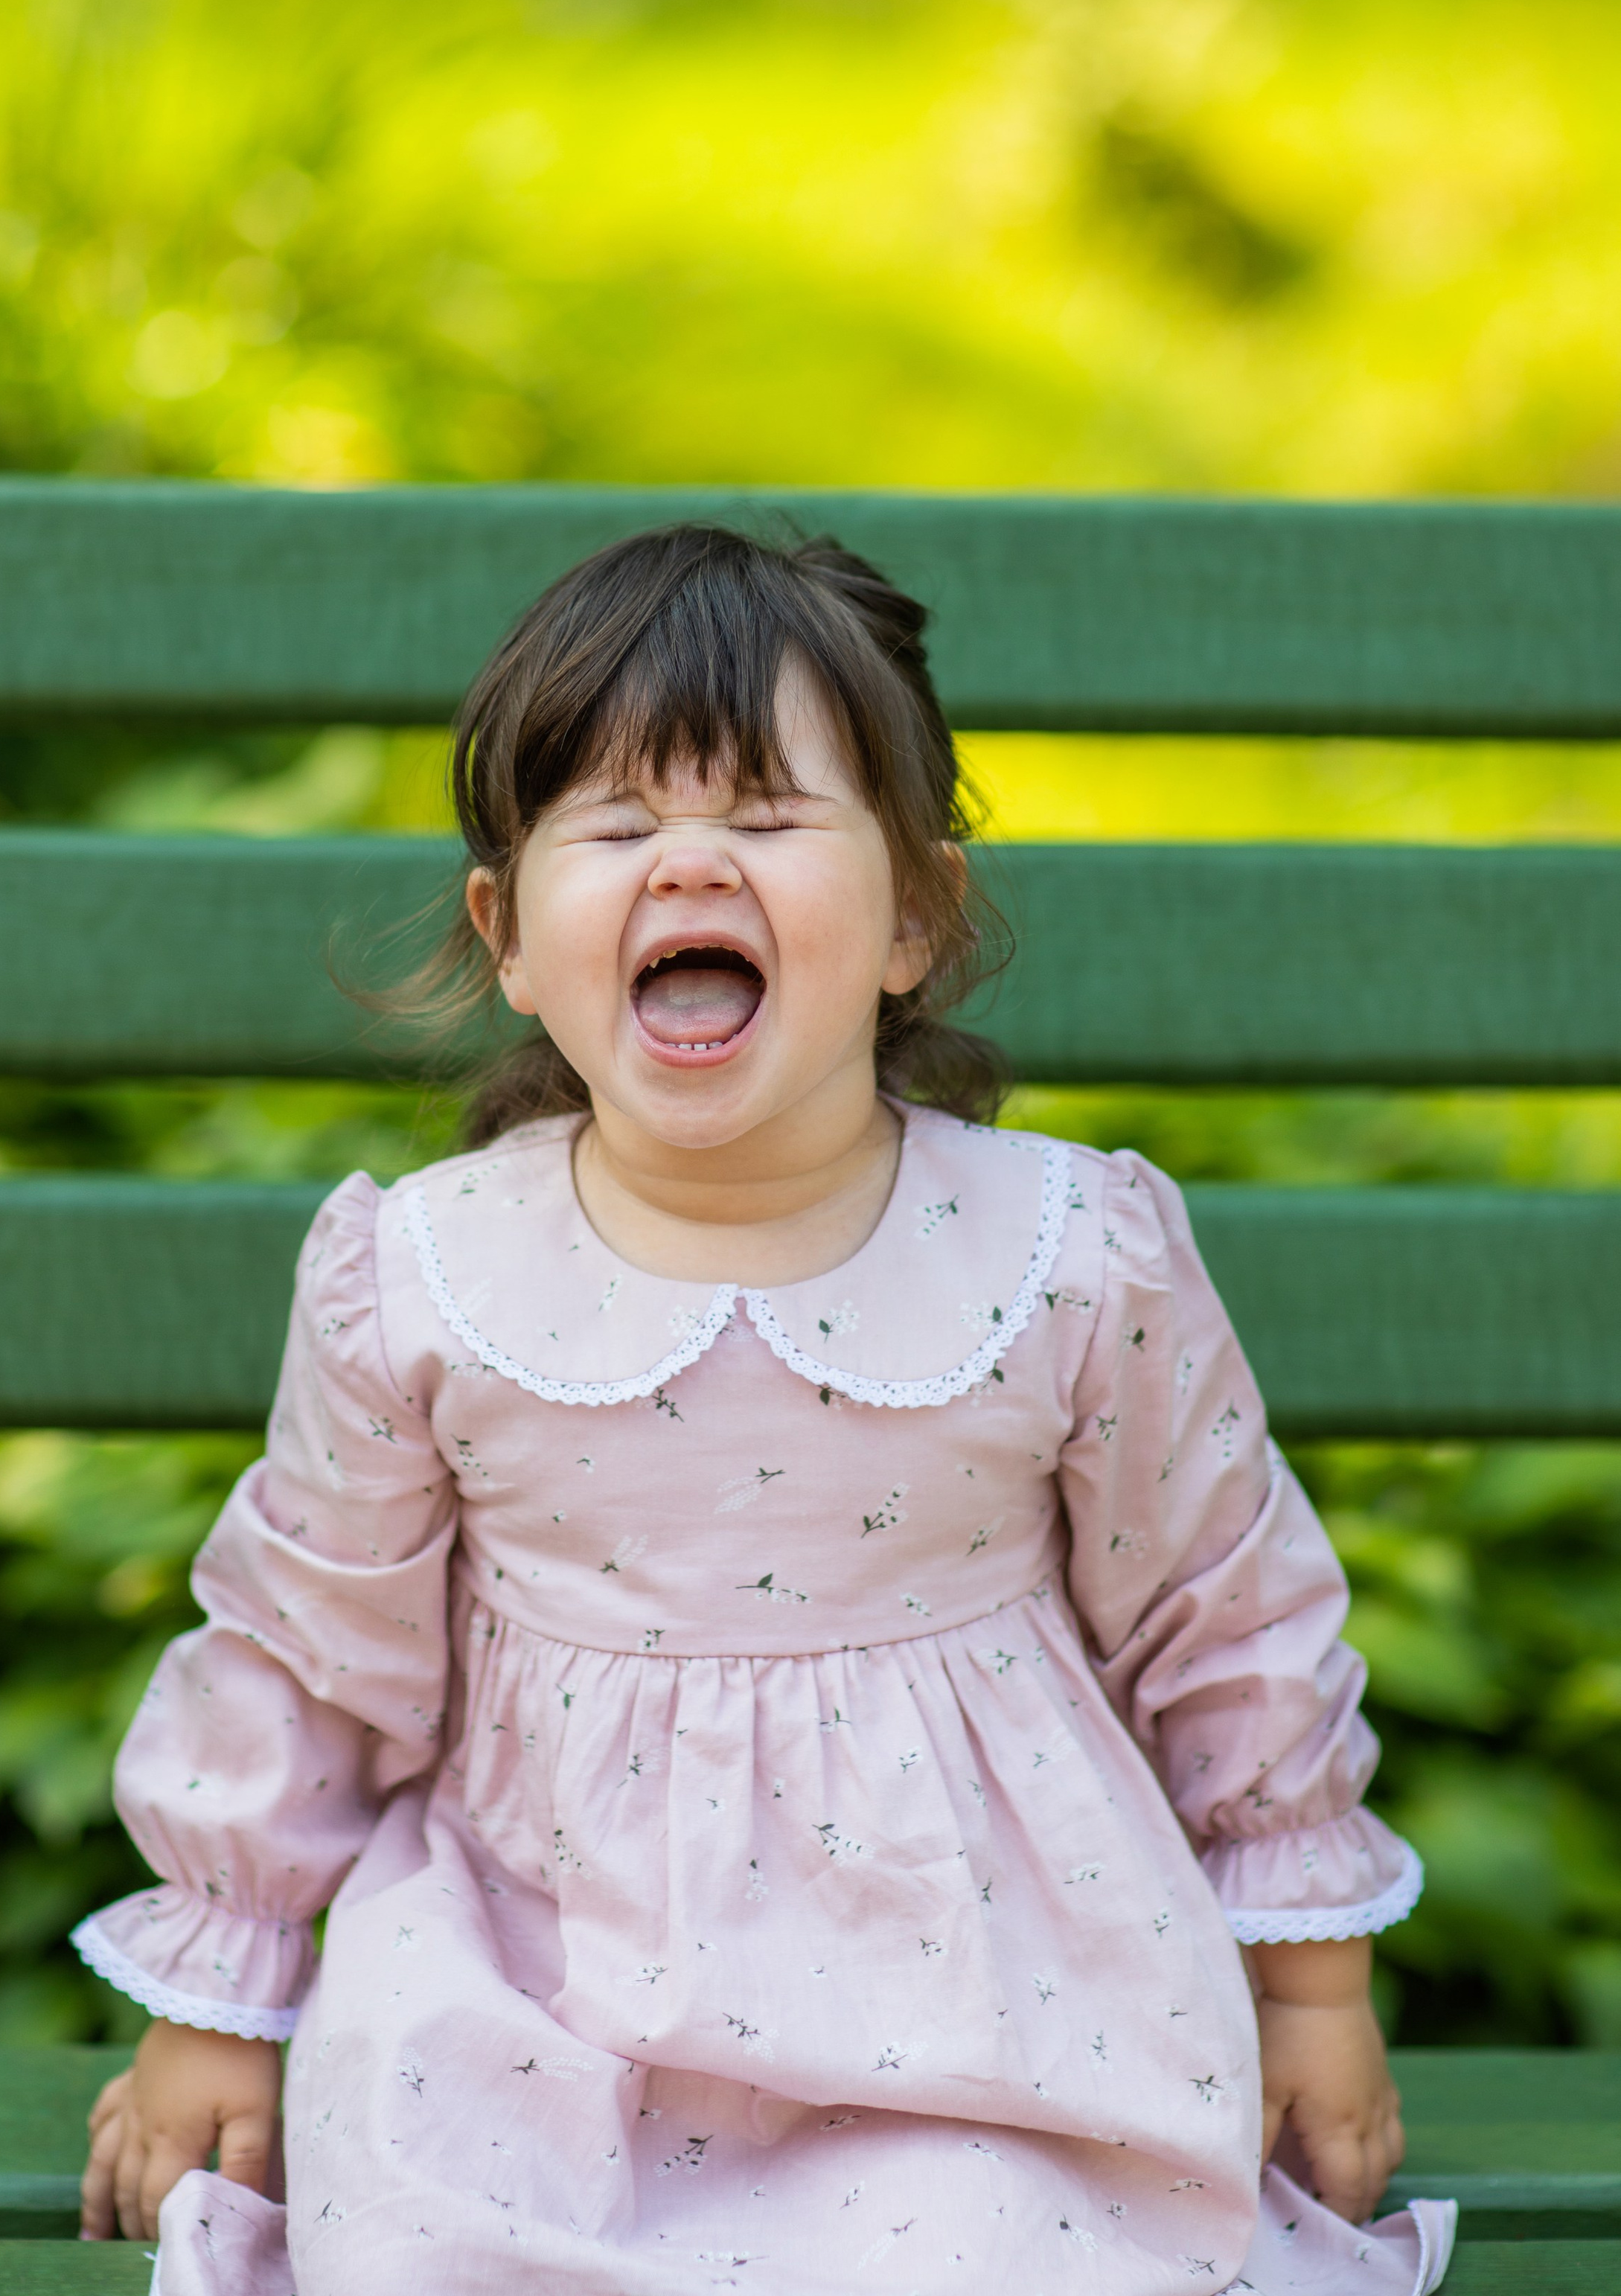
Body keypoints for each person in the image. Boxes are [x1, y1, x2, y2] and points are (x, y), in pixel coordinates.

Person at [73, 524, 1454, 2295]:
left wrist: (1307, 1990)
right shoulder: (422, 1279)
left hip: (983, 2002)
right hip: (538, 1989)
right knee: (433, 2226)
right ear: (506, 935)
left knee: (1000, 2252)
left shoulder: (1059, 1257)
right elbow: (307, 1654)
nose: (689, 862)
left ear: (913, 921)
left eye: (768, 816)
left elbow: (1222, 1608)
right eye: (618, 823)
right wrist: (219, 2006)